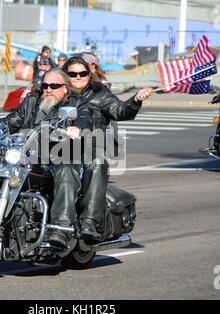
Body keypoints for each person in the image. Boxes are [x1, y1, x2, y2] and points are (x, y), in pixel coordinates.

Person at [0, 68, 92, 249]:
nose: (48, 89)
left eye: (54, 86)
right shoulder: (32, 102)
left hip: (61, 154)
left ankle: (61, 229)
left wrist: (76, 128)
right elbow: (10, 122)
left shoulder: (76, 103)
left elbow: (84, 118)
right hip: (29, 154)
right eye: (45, 85)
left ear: (65, 88)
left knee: (67, 169)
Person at [62, 56, 153, 239]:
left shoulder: (99, 94)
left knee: (96, 162)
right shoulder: (59, 93)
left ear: (90, 74)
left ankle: (90, 222)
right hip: (60, 148)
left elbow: (120, 110)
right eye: (73, 74)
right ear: (65, 75)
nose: (78, 77)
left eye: (83, 73)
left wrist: (135, 99)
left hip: (91, 146)